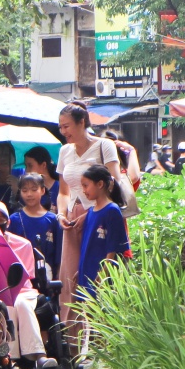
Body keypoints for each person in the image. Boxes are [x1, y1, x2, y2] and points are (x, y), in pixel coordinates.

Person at [55, 101, 120, 322]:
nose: (64, 132)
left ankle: (100, 338)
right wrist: (62, 215)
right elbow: (63, 191)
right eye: (60, 127)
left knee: (98, 276)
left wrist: (90, 214)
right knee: (70, 279)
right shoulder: (64, 151)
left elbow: (114, 184)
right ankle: (72, 344)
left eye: (67, 126)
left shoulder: (104, 146)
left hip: (99, 217)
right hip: (71, 219)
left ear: (82, 123)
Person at [0, 200, 51, 369]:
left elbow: (24, 277)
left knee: (20, 304)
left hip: (22, 291)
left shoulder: (22, 244)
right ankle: (11, 360)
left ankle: (39, 355)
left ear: (7, 222)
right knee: (6, 306)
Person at [75, 164, 131, 302]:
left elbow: (112, 248)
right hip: (87, 272)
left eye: (86, 185)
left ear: (100, 184)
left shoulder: (112, 210)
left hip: (101, 276)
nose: (84, 190)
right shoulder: (91, 211)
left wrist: (103, 273)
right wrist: (81, 269)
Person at [8, 174, 60, 271]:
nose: (29, 194)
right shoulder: (14, 219)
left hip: (48, 275)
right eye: (25, 190)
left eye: (34, 189)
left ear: (43, 190)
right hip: (22, 273)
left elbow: (58, 252)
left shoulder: (53, 219)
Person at [22, 146, 59, 211]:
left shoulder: (60, 188)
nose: (27, 170)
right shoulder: (26, 190)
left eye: (30, 166)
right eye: (26, 166)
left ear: (43, 165)